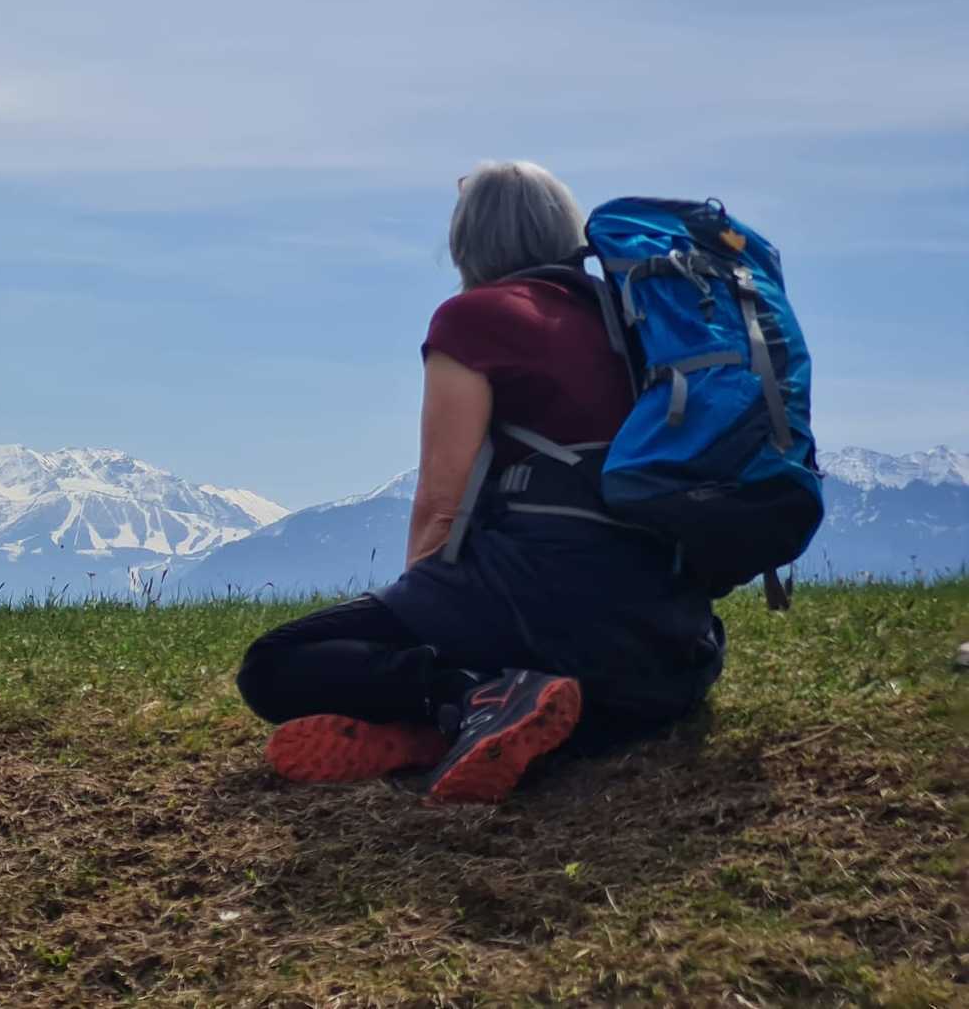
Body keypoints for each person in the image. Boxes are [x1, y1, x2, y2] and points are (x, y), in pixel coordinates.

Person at [235, 161, 725, 804]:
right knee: (570, 685)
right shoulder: (639, 322)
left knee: (273, 665)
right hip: (670, 665)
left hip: (543, 600)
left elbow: (442, 500)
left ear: (469, 241)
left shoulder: (476, 320)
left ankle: (466, 697)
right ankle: (457, 726)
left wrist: (424, 614)